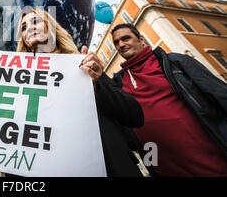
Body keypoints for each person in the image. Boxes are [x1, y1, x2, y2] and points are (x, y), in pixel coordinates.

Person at [16, 9, 146, 177]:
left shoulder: (85, 65)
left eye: (36, 22)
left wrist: (96, 85)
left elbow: (134, 115)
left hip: (111, 166)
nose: (30, 28)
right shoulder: (18, 79)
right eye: (24, 27)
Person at [110, 23, 227, 176]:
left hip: (210, 161)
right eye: (116, 42)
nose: (121, 45)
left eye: (126, 38)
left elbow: (220, 94)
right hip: (163, 168)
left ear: (141, 39)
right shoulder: (117, 83)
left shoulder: (176, 62)